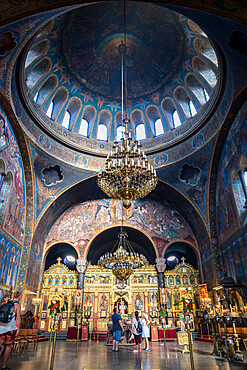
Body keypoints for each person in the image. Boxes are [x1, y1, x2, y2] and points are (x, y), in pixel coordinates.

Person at [0, 290, 21, 370]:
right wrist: (18, 329)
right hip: (10, 328)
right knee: (8, 346)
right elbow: (18, 318)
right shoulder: (17, 305)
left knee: (0, 343)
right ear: (19, 297)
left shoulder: (4, 304)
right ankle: (4, 366)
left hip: (1, 327)